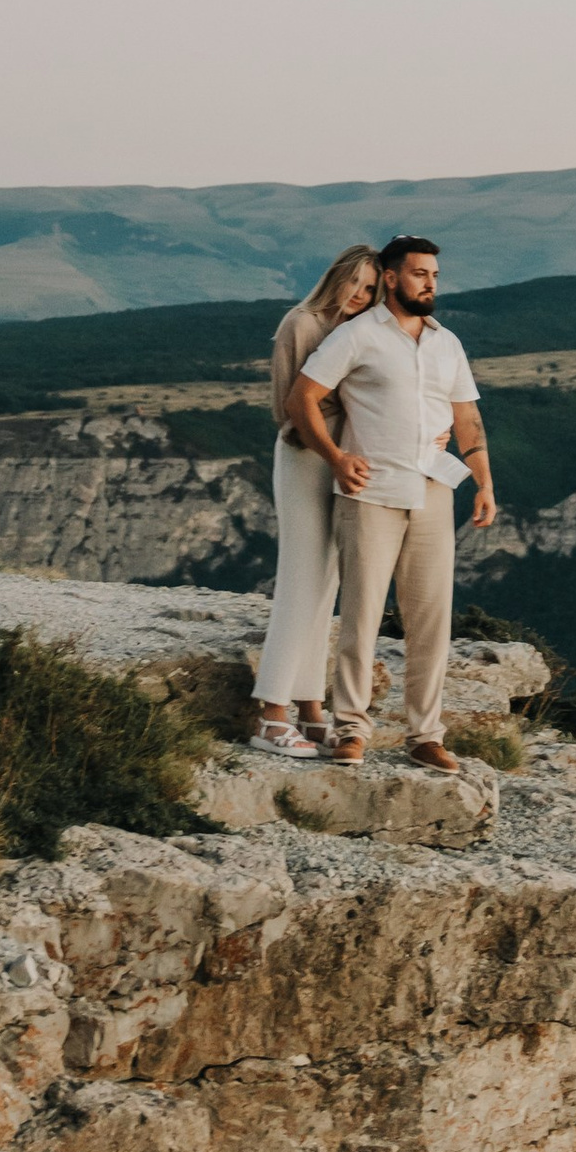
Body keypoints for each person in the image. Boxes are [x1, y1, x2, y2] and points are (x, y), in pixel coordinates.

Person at [288, 236, 496, 770]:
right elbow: (302, 398)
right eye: (419, 273)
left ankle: (425, 735)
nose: (430, 283)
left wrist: (485, 484)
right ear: (389, 276)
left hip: (433, 493)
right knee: (361, 617)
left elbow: (467, 416)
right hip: (371, 494)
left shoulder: (447, 342)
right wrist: (336, 458)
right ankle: (351, 729)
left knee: (431, 620)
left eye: (434, 275)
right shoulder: (357, 336)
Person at [249, 245, 382, 754]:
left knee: (327, 583)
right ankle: (270, 714)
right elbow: (288, 406)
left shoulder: (361, 331)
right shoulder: (300, 323)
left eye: (371, 290)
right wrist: (330, 447)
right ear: (337, 278)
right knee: (302, 577)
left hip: (349, 455)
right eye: (356, 284)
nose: (361, 295)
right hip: (308, 454)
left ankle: (308, 707)